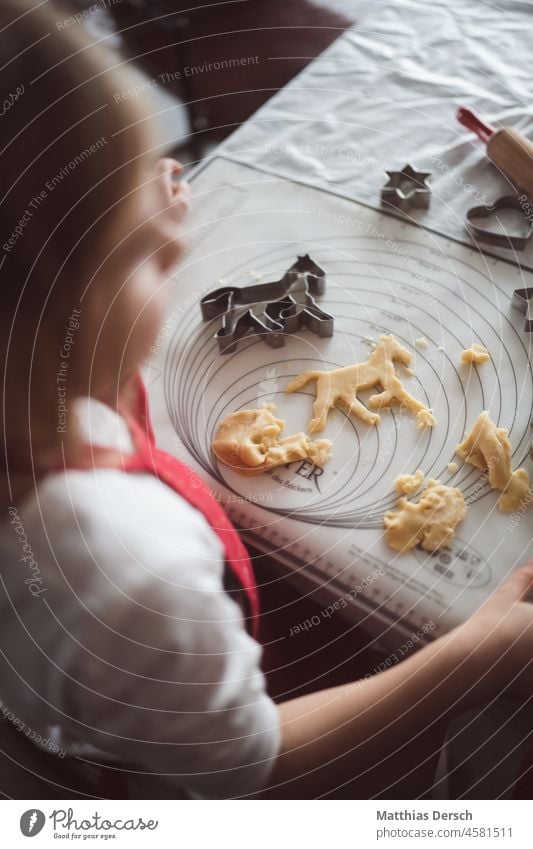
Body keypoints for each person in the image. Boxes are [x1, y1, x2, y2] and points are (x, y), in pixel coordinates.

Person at [1, 0, 533, 800]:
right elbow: (247, 766)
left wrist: (122, 223)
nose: (180, 234)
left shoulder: (36, 378)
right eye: (144, 250)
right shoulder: (125, 565)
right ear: (48, 317)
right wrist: (470, 655)